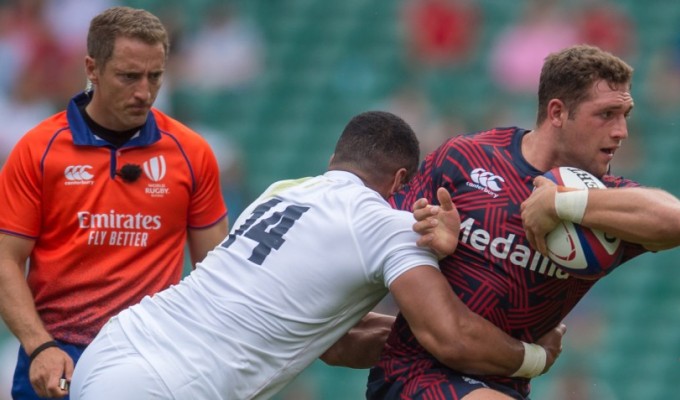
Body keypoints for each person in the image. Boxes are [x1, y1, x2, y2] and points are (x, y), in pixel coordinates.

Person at [69, 111, 565, 400]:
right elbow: (450, 336)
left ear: (335, 159)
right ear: (400, 182)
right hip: (168, 386)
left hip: (116, 346)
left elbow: (331, 339)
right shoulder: (384, 223)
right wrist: (533, 356)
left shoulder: (279, 191)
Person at [367, 44, 680, 399]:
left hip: (504, 383)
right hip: (416, 375)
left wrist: (563, 203)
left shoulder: (602, 203)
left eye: (626, 114)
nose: (622, 131)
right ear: (558, 112)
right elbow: (375, 240)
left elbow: (674, 219)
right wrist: (422, 240)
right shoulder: (465, 158)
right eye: (606, 114)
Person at [0, 6, 229, 399]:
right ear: (92, 68)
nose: (144, 92)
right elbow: (5, 257)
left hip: (150, 359)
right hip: (57, 355)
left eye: (155, 76)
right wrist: (39, 345)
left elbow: (218, 271)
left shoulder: (192, 154)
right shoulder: (38, 150)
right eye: (128, 76)